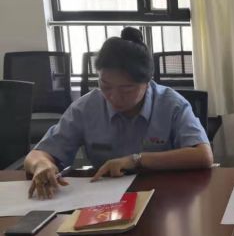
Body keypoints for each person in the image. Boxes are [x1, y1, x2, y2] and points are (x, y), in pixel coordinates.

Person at [25, 28, 213, 198]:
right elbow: (37, 155)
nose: (114, 97)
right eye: (105, 86)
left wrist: (136, 160)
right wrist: (42, 165)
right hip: (104, 201)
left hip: (163, 197)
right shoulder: (86, 108)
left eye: (127, 89)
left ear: (147, 82)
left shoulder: (171, 105)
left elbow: (203, 155)